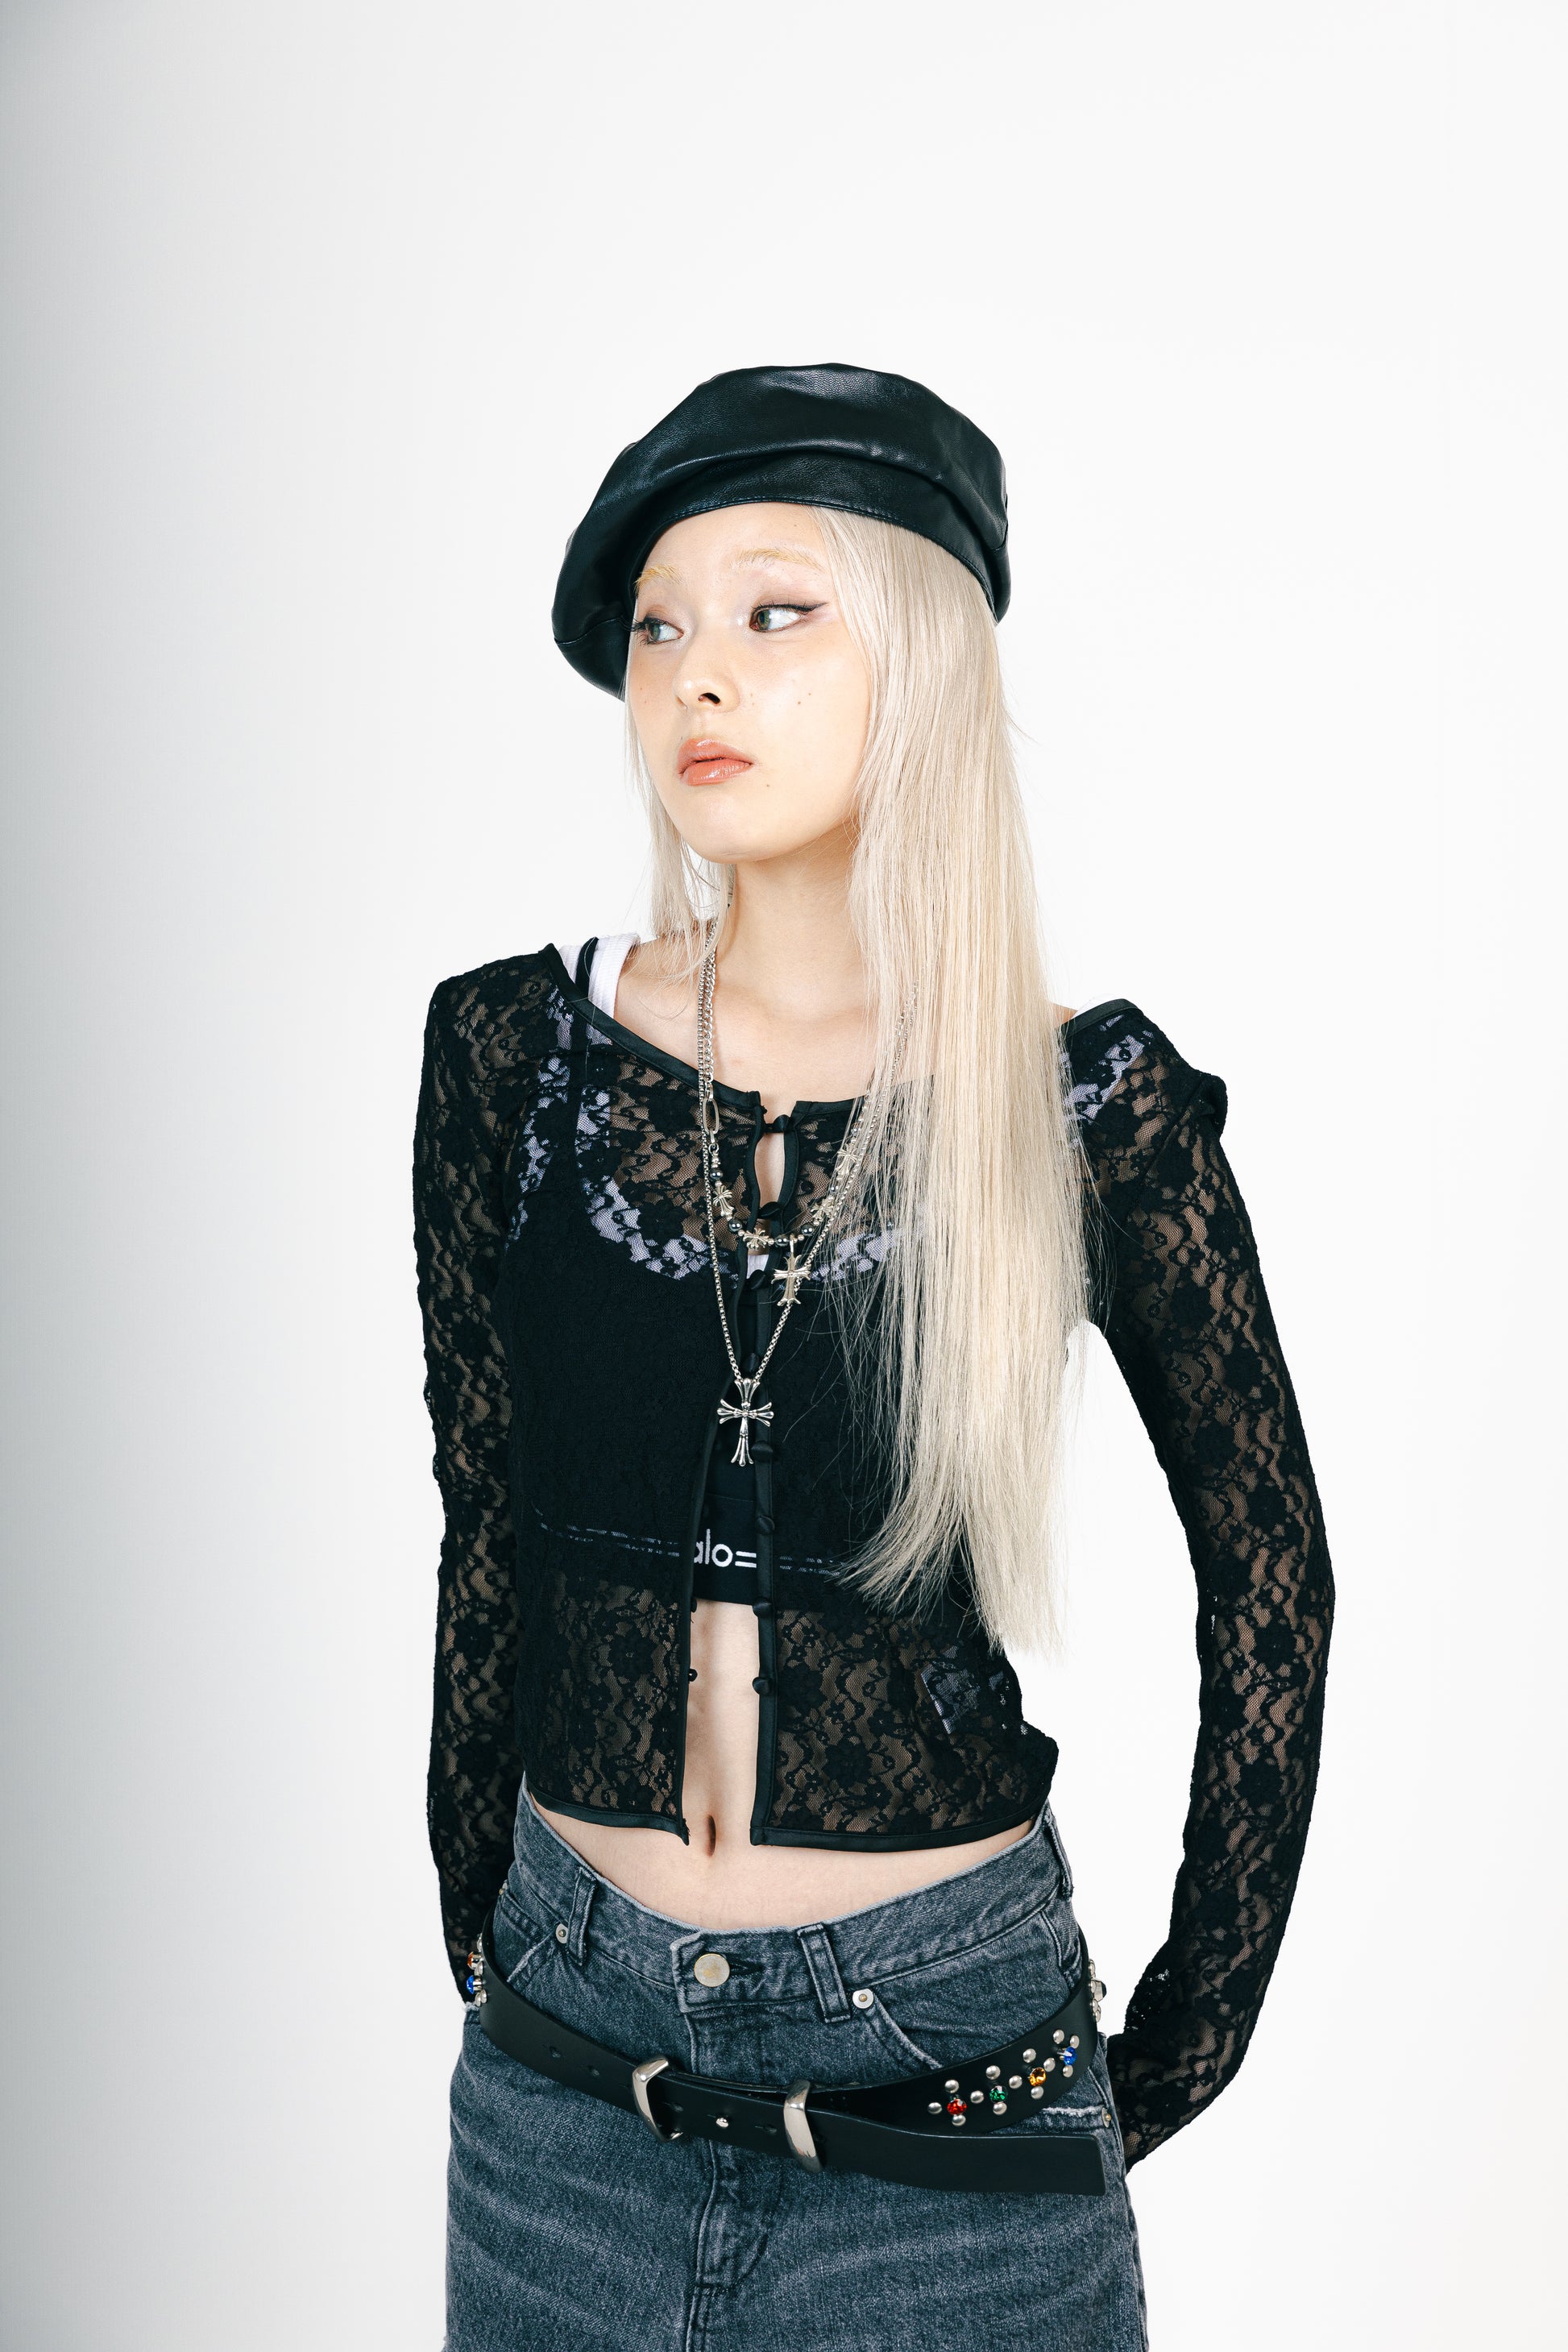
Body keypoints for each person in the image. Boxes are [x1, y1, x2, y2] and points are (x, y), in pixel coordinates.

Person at [413, 363, 1333, 2352]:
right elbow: (487, 1517)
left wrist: (1183, 2036)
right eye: (658, 628)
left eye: (774, 611)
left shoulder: (1082, 1103)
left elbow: (1270, 1569)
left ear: (919, 654)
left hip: (947, 2081)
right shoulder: (511, 1054)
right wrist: (480, 1916)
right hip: (565, 2079)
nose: (695, 676)